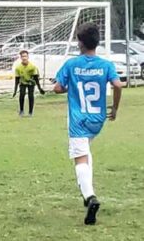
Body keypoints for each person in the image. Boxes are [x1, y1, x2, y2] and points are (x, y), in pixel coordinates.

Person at [53, 23, 124, 225]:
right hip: (97, 118)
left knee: (80, 158)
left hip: (78, 119)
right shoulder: (106, 65)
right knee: (86, 152)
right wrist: (115, 108)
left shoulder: (72, 64)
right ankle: (87, 191)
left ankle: (90, 197)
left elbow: (58, 88)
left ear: (81, 43)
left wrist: (70, 88)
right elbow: (118, 85)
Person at [13, 50, 45, 116]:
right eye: (22, 56)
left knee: (31, 96)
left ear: (28, 57)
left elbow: (36, 78)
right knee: (22, 94)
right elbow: (17, 79)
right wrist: (15, 90)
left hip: (31, 82)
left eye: (25, 56)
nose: (24, 58)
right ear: (20, 58)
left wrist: (40, 88)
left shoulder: (32, 67)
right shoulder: (18, 68)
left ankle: (30, 112)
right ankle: (21, 110)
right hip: (23, 82)